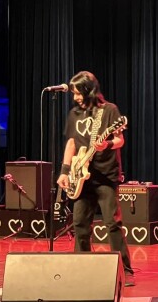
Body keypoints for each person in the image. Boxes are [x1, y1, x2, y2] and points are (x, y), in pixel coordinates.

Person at [56, 71, 133, 284]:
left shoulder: (109, 110)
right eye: (73, 93)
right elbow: (71, 143)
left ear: (89, 91)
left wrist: (105, 144)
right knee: (80, 224)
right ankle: (82, 268)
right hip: (81, 176)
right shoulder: (74, 113)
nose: (75, 98)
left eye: (78, 93)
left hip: (106, 175)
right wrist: (64, 171)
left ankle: (125, 270)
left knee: (112, 223)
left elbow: (119, 140)